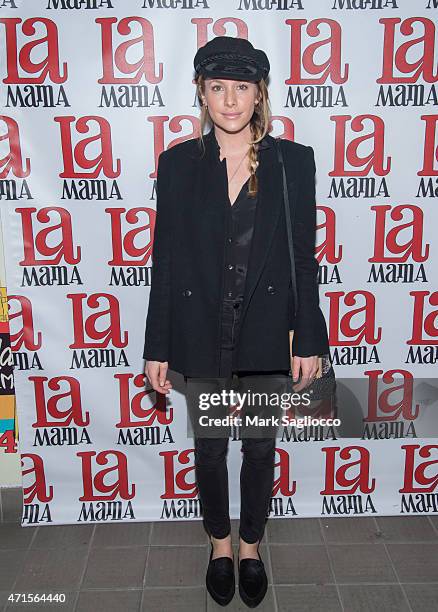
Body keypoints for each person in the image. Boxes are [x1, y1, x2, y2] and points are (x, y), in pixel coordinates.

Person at [143, 36, 330, 608]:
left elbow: (304, 254)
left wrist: (310, 334)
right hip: (200, 329)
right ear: (201, 91)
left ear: (259, 94)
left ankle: (251, 546)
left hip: (268, 328)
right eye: (218, 87)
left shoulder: (292, 162)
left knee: (258, 448)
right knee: (209, 448)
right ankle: (219, 546)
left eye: (241, 87)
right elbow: (166, 260)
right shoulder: (177, 165)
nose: (229, 100)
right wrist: (157, 344)